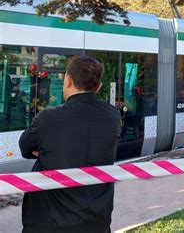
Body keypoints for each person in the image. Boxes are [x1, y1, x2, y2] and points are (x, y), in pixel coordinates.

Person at [19, 56, 121, 233]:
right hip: (97, 221)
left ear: (68, 80)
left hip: (49, 222)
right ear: (99, 86)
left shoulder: (48, 118)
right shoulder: (112, 116)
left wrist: (47, 150)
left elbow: (25, 148)